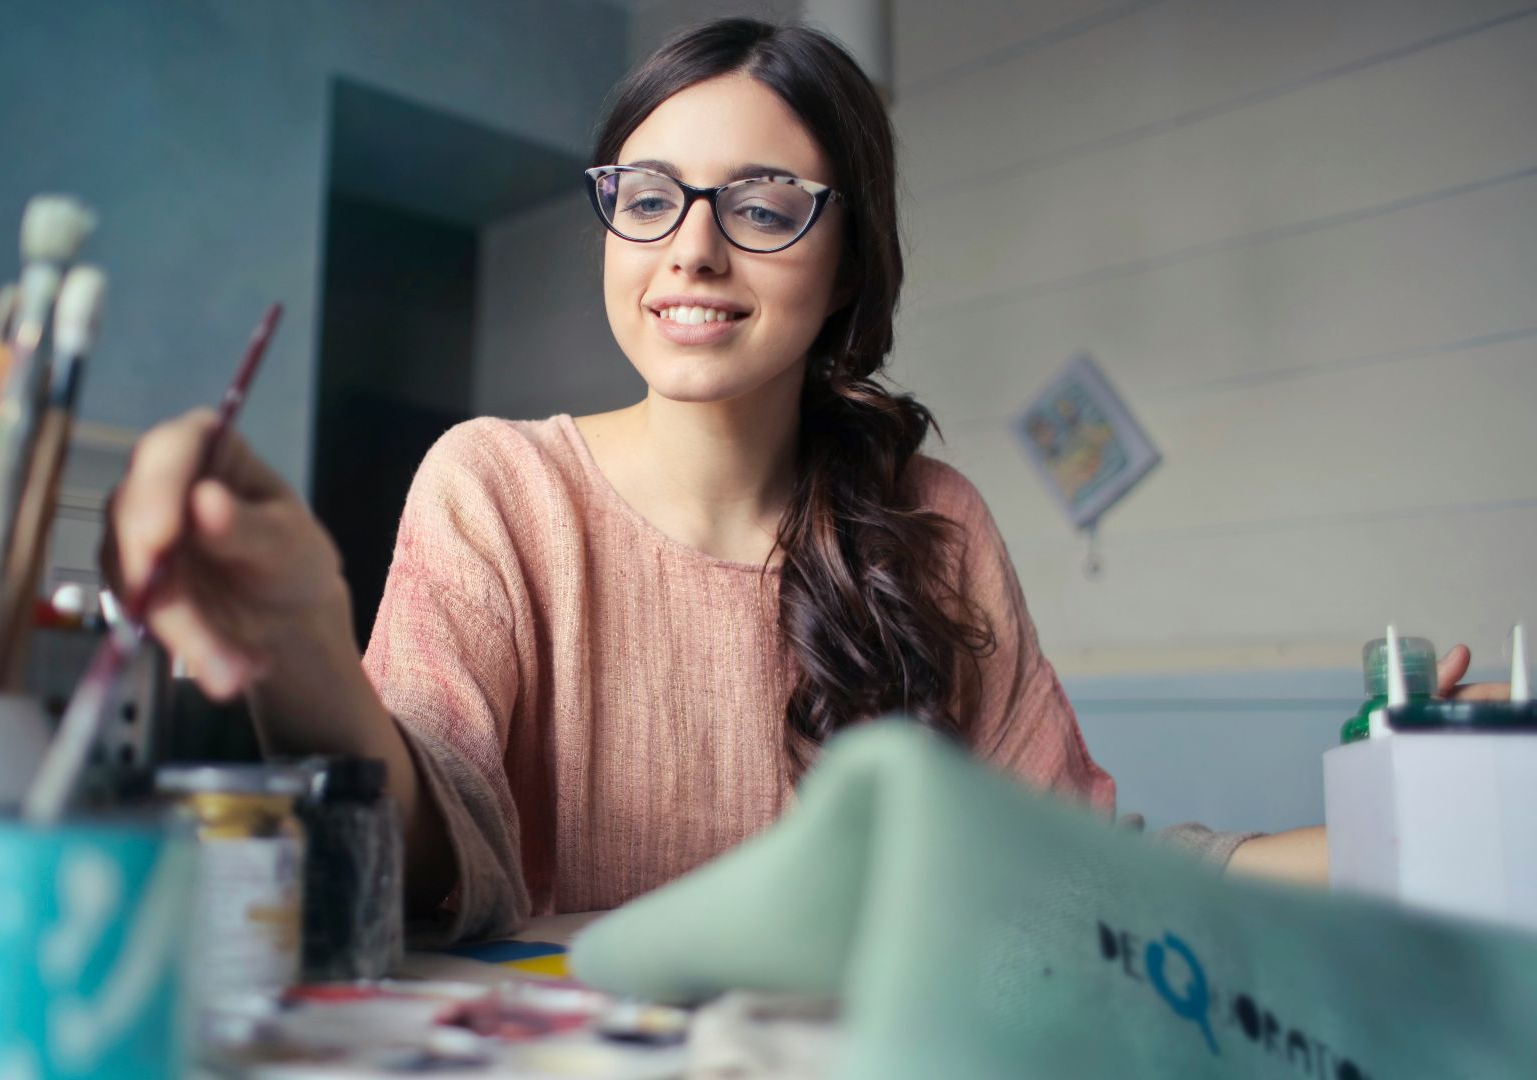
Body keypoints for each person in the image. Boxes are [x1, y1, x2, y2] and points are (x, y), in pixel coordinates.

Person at [106, 19, 1500, 942]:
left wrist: (1425, 802)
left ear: (846, 265)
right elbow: (433, 850)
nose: (692, 251)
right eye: (647, 196)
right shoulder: (497, 490)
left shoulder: (931, 528)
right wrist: (303, 652)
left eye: (764, 205)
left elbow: (1083, 873)